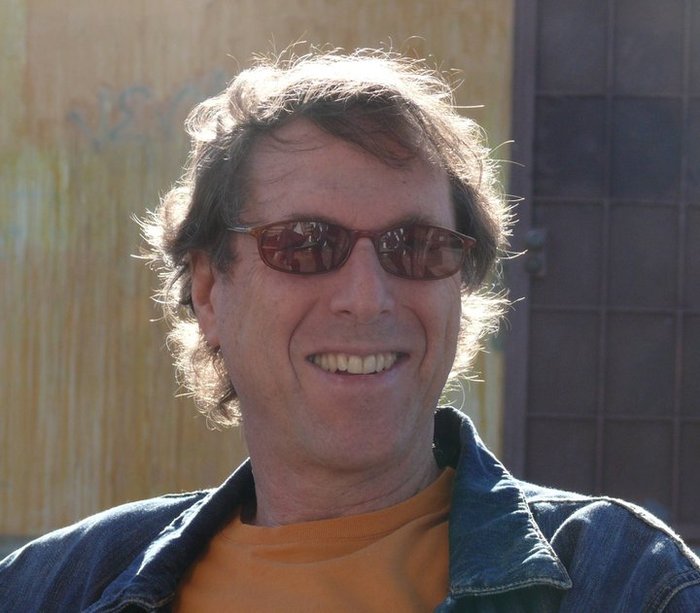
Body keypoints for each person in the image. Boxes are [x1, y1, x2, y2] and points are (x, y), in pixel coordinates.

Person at [1, 49, 699, 612]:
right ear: (210, 291)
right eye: (305, 243)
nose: (367, 298)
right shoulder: (47, 589)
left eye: (416, 246)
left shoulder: (629, 584)